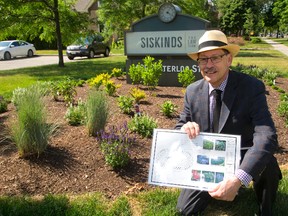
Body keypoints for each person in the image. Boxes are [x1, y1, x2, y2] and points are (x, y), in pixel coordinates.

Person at [175, 30, 282, 216]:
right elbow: (180, 125)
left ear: (229, 59)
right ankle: (214, 185)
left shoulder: (251, 87)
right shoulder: (192, 91)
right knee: (184, 210)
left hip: (242, 155)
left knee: (268, 162)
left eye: (215, 58)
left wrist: (239, 177)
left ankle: (265, 207)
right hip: (207, 161)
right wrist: (185, 128)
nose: (208, 65)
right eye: (203, 59)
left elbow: (266, 135)